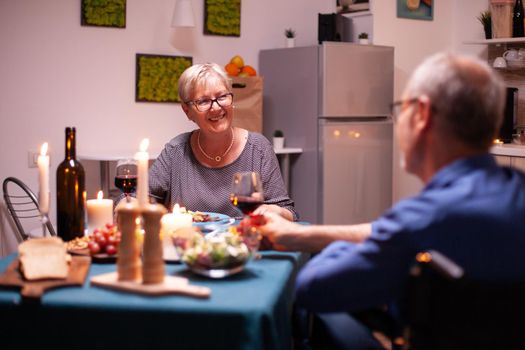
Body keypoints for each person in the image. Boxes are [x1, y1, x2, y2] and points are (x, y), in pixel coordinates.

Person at [260, 53, 525, 348]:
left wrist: (332, 247)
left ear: (422, 115)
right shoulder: (514, 193)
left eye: (401, 109)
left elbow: (313, 287)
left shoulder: (423, 219)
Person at [148, 62, 297, 221]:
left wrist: (274, 211)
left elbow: (287, 211)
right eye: (203, 101)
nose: (216, 108)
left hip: (242, 243)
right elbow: (139, 198)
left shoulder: (258, 149)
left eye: (222, 97)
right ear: (187, 111)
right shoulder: (175, 151)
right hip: (188, 244)